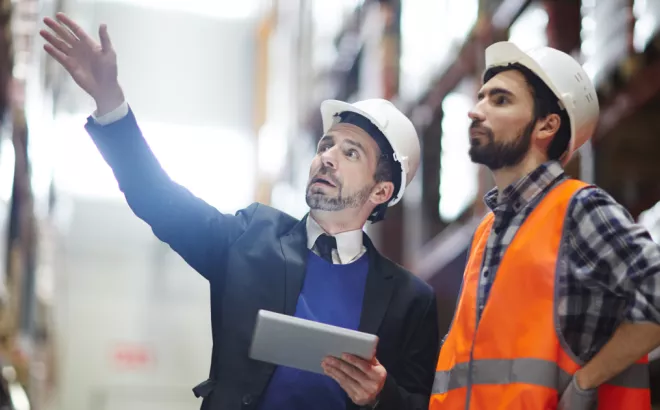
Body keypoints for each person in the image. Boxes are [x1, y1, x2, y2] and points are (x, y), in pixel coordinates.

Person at [40, 12, 440, 410]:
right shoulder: (252, 237)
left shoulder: (410, 301)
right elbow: (158, 199)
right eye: (325, 145)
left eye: (350, 152)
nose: (327, 158)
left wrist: (380, 396)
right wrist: (110, 102)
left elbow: (423, 405)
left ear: (382, 190)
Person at [429, 41, 659, 410]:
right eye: (480, 98)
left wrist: (586, 382)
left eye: (500, 100)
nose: (476, 111)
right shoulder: (487, 233)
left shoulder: (579, 209)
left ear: (546, 125)